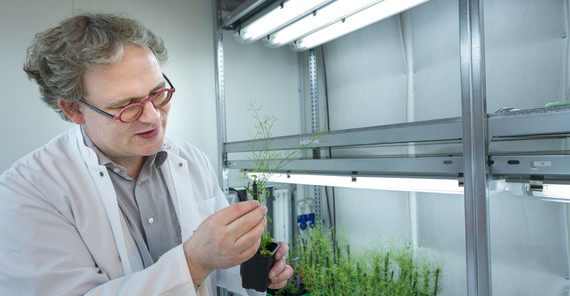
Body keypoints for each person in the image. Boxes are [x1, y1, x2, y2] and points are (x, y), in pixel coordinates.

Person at [0, 13, 293, 296]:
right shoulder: (29, 190)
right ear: (73, 109)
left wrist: (251, 264)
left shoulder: (191, 160)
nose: (153, 118)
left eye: (158, 93)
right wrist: (193, 262)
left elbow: (218, 263)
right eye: (127, 105)